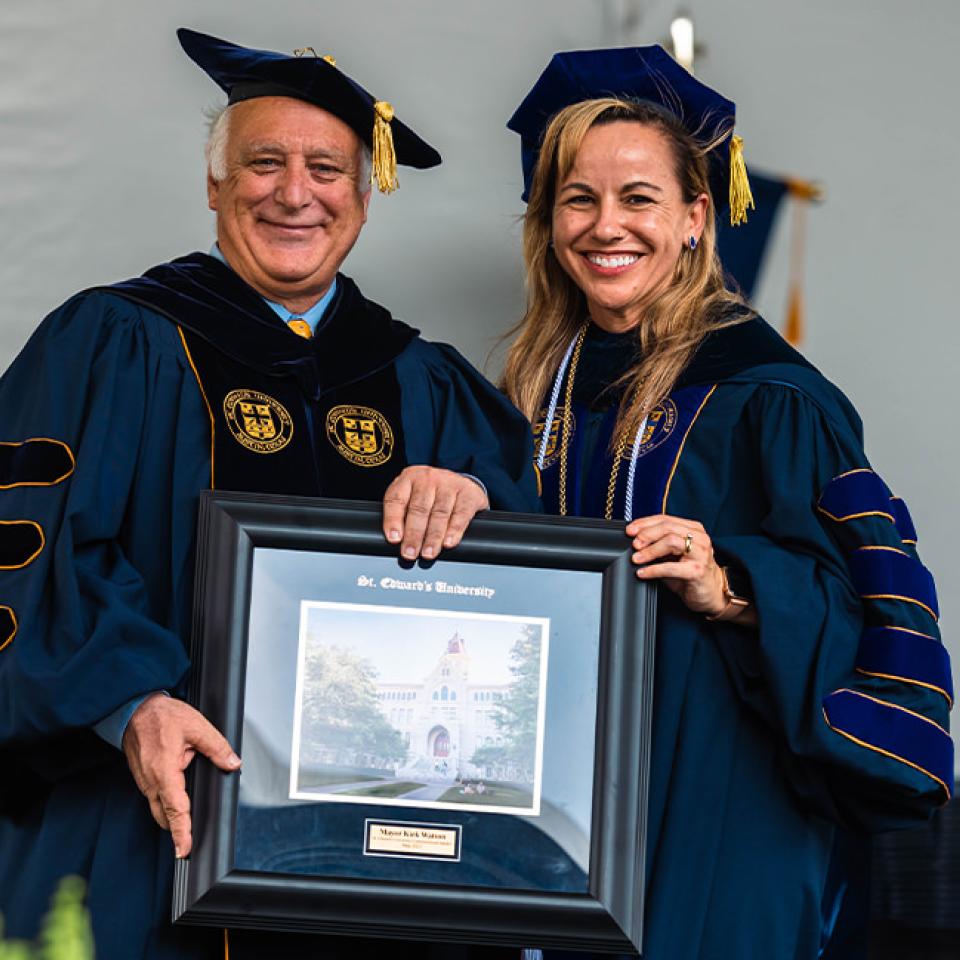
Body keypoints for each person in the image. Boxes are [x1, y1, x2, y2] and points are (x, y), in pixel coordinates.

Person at [0, 29, 536, 960]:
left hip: (384, 868)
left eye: (327, 168)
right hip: (147, 832)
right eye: (264, 163)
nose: (296, 193)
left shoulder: (427, 385)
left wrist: (478, 494)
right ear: (214, 185)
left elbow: (529, 605)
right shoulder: (112, 342)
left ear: (364, 199)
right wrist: (130, 703)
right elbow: (26, 555)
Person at [503, 47, 953, 960]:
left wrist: (734, 584)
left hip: (722, 792)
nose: (605, 226)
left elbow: (868, 603)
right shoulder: (528, 392)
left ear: (696, 217)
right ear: (549, 222)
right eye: (578, 199)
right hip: (551, 793)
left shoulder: (770, 395)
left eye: (638, 198)